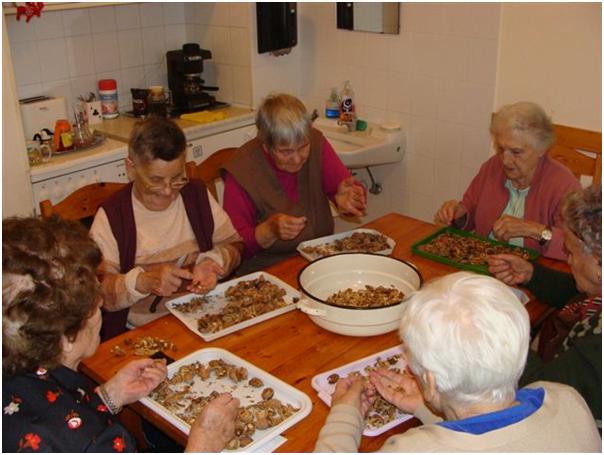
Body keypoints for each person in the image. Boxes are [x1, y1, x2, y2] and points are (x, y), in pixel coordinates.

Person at [2, 216, 240, 452]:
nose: (102, 305)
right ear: (65, 338)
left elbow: (61, 407)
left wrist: (109, 395)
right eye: (94, 304)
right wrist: (203, 445)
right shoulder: (92, 443)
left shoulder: (18, 366)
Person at [314, 272, 601, 452]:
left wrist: (344, 415)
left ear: (429, 381)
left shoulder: (412, 449)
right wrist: (426, 408)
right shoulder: (568, 400)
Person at [90, 117, 243, 339]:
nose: (168, 191)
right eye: (155, 180)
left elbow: (235, 245)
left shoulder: (195, 195)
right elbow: (98, 292)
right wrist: (142, 282)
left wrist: (215, 262)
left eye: (177, 178)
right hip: (142, 333)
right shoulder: (113, 216)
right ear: (130, 169)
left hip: (205, 321)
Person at [488, 184, 601, 423]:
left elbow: (540, 392)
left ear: (599, 263)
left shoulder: (595, 346)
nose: (568, 261)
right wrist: (532, 274)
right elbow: (576, 288)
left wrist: (503, 333)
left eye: (570, 253)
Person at [223, 93, 367, 274]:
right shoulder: (242, 169)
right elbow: (234, 244)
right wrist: (268, 230)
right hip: (269, 272)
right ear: (266, 146)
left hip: (318, 260)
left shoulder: (315, 141)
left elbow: (345, 188)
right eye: (285, 152)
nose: (297, 158)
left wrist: (350, 199)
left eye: (303, 147)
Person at [434, 101, 580, 260]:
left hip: (534, 275)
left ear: (541, 149)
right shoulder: (492, 168)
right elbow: (469, 212)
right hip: (485, 264)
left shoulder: (563, 185)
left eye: (516, 152)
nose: (505, 160)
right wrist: (456, 214)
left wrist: (534, 230)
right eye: (501, 149)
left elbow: (577, 248)